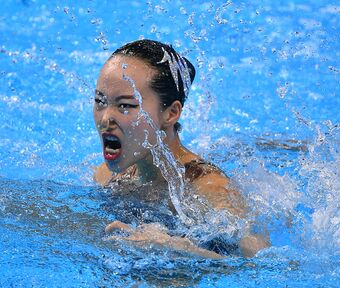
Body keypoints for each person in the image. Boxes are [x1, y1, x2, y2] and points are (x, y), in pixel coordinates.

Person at [93, 39, 269, 258]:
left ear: (171, 113)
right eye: (100, 101)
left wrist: (181, 250)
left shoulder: (210, 190)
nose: (106, 118)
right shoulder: (107, 176)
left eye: (125, 106)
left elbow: (263, 267)